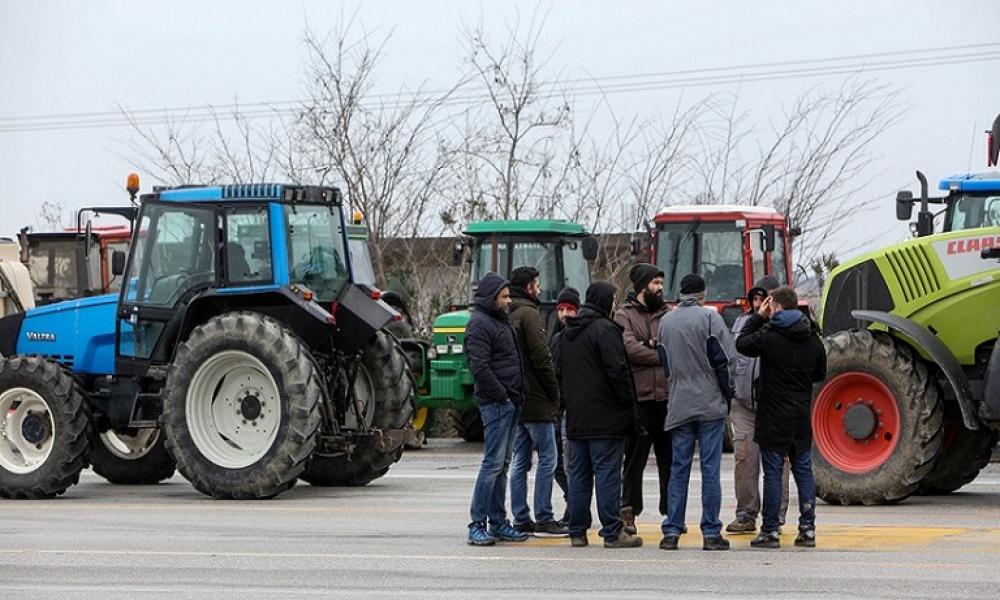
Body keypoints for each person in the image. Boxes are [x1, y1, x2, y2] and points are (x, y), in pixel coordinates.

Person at [736, 286, 827, 549]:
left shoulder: (769, 335)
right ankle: (807, 528)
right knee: (803, 471)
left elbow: (742, 343)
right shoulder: (812, 338)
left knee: (773, 473)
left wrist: (758, 316)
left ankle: (770, 530)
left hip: (773, 415)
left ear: (774, 305)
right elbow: (819, 374)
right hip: (800, 416)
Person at [556, 281, 643, 549]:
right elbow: (618, 372)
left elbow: (558, 375)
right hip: (606, 417)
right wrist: (628, 405)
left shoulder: (566, 334)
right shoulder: (605, 330)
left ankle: (577, 531)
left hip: (576, 417)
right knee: (607, 475)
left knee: (579, 476)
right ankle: (612, 531)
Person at [657, 273, 734, 551]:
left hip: (679, 403)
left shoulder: (665, 322)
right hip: (709, 403)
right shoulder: (711, 318)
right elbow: (725, 360)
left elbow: (664, 362)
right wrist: (727, 395)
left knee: (679, 468)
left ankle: (672, 531)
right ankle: (711, 532)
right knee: (710, 469)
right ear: (702, 294)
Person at [465, 272, 530, 546]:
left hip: (510, 401)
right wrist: (502, 396)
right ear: (491, 298)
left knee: (502, 466)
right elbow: (479, 366)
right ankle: (477, 524)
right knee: (492, 464)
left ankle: (498, 522)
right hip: (497, 404)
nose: (508, 300)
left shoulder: (500, 321)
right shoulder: (480, 324)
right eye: (504, 296)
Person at [726, 276, 790, 535]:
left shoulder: (785, 327)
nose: (759, 303)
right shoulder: (741, 325)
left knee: (778, 464)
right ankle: (745, 514)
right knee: (744, 460)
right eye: (755, 298)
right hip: (743, 405)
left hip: (774, 407)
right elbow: (732, 356)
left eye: (765, 298)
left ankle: (775, 517)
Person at [507, 266, 567, 537]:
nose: (540, 289)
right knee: (548, 458)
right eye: (537, 284)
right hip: (537, 399)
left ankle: (520, 516)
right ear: (529, 287)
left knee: (520, 460)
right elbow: (541, 357)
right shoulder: (530, 315)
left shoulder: (509, 313)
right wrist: (554, 391)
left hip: (518, 397)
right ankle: (544, 516)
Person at [614, 263, 671, 535]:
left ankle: (671, 512)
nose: (660, 288)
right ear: (641, 287)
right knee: (634, 459)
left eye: (661, 283)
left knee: (669, 459)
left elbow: (674, 346)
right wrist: (659, 353)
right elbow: (629, 349)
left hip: (666, 398)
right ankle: (628, 511)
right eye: (655, 283)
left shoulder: (668, 314)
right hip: (640, 398)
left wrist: (648, 346)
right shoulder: (624, 314)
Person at [550, 286, 581, 524]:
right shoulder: (555, 338)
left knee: (570, 463)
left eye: (569, 309)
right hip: (557, 406)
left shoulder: (580, 337)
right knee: (555, 463)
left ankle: (575, 508)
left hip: (573, 407)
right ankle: (573, 500)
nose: (564, 314)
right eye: (561, 310)